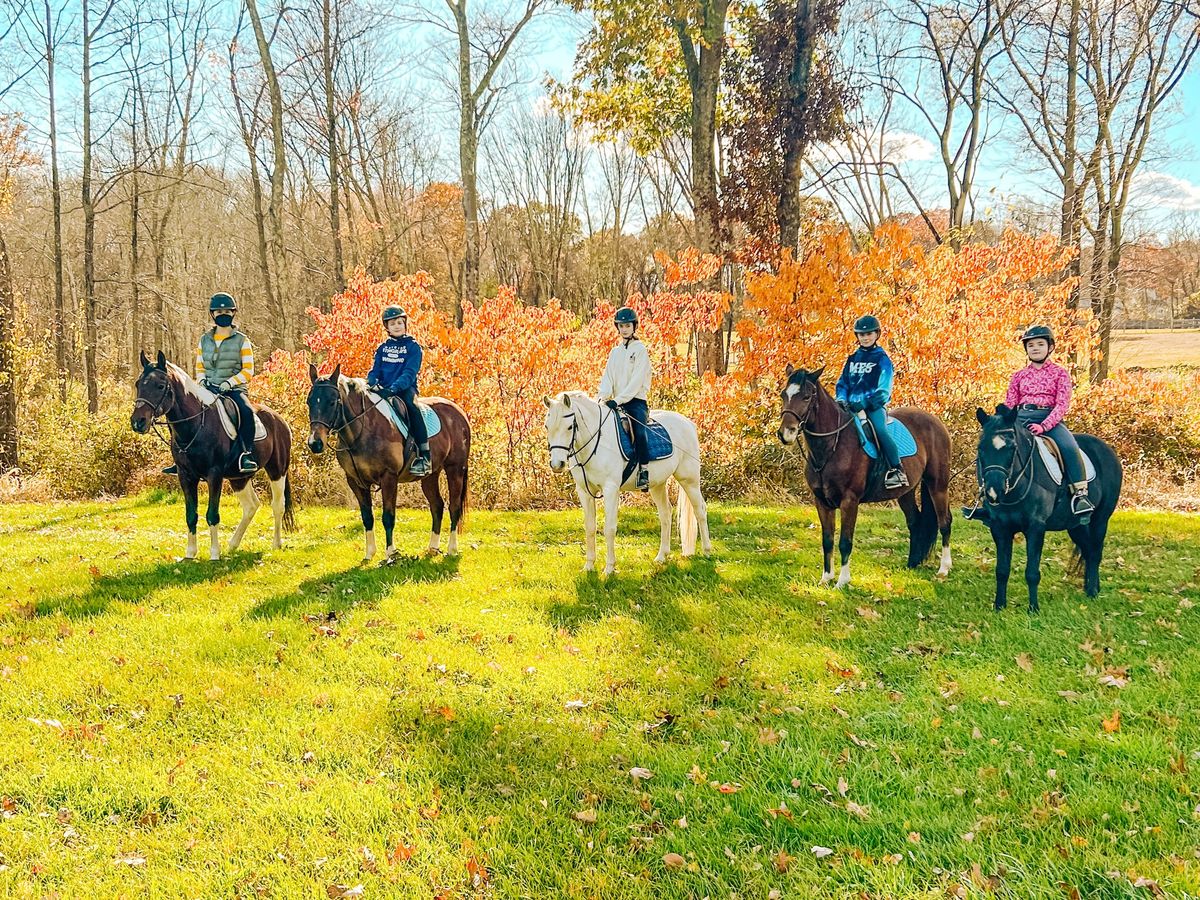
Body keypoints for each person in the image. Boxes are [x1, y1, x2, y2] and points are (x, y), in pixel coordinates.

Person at [163, 292, 257, 475]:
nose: (223, 314)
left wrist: (229, 383)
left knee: (246, 411)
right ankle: (179, 458)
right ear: (212, 314)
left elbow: (248, 370)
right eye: (218, 311)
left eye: (227, 312)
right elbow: (200, 367)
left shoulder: (242, 340)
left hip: (233, 390)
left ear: (233, 313)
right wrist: (202, 379)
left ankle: (246, 454)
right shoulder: (204, 340)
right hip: (207, 388)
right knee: (179, 412)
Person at [1005, 325, 1093, 517]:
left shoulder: (1060, 374)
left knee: (1069, 446)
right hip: (1020, 418)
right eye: (1031, 345)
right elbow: (1010, 403)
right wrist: (1004, 422)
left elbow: (1062, 404)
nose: (1035, 348)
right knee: (996, 446)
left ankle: (1080, 494)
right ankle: (986, 496)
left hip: (1048, 418)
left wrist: (1044, 425)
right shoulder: (1018, 376)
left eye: (1040, 344)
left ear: (1050, 347)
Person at [835, 314, 908, 490]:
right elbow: (842, 383)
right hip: (850, 407)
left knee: (880, 431)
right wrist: (842, 399)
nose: (865, 337)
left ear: (877, 335)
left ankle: (897, 471)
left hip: (873, 407)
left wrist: (866, 403)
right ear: (857, 337)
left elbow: (884, 389)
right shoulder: (852, 359)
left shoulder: (882, 359)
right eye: (861, 334)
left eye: (869, 334)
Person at [367, 305, 430, 477]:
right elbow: (375, 370)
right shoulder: (382, 348)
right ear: (386, 327)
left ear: (405, 325)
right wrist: (373, 382)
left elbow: (409, 373)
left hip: (404, 389)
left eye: (400, 322)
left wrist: (394, 388)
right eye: (393, 323)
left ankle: (424, 456)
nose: (397, 326)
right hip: (382, 390)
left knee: (413, 407)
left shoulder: (413, 347)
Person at [598, 306, 652, 491]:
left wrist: (619, 400)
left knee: (639, 430)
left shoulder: (640, 350)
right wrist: (602, 398)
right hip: (615, 402)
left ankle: (644, 471)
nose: (624, 329)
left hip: (635, 402)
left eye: (628, 325)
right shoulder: (615, 352)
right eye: (621, 326)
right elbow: (608, 378)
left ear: (634, 326)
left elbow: (636, 382)